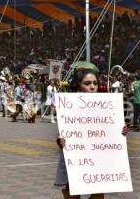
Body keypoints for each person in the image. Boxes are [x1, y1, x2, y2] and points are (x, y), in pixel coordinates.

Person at [54, 61, 129, 199]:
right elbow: (62, 132)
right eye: (87, 83)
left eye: (94, 83)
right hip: (75, 162)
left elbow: (111, 133)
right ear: (78, 84)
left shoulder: (106, 106)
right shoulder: (68, 105)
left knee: (98, 196)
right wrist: (60, 140)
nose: (92, 86)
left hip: (98, 164)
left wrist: (122, 131)